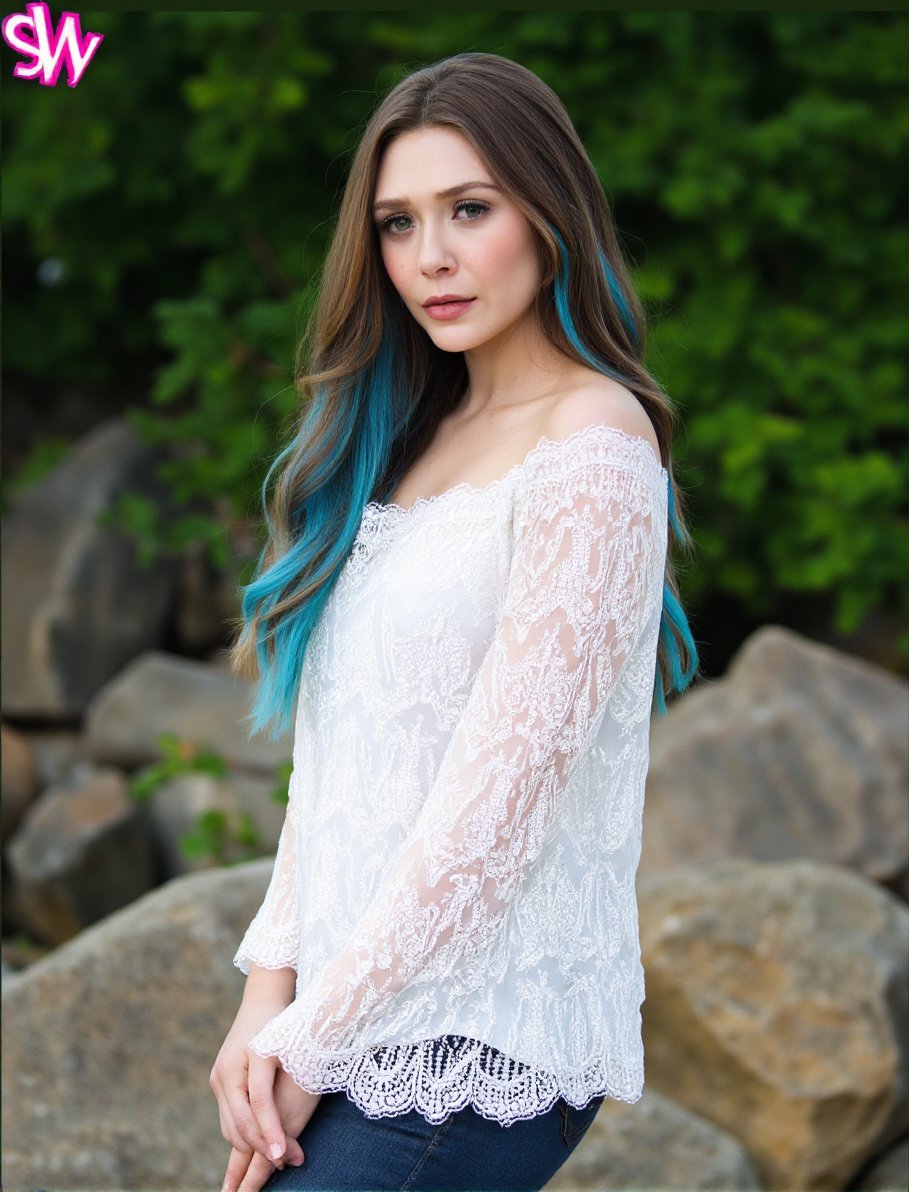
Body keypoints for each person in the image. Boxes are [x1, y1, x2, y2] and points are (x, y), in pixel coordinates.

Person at [210, 50, 700, 1192]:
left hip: (477, 1038)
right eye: (397, 223)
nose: (429, 255)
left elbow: (496, 804)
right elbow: (332, 781)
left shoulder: (595, 445)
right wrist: (266, 1002)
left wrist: (312, 1038)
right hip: (349, 1020)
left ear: (549, 213)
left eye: (468, 209)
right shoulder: (404, 445)